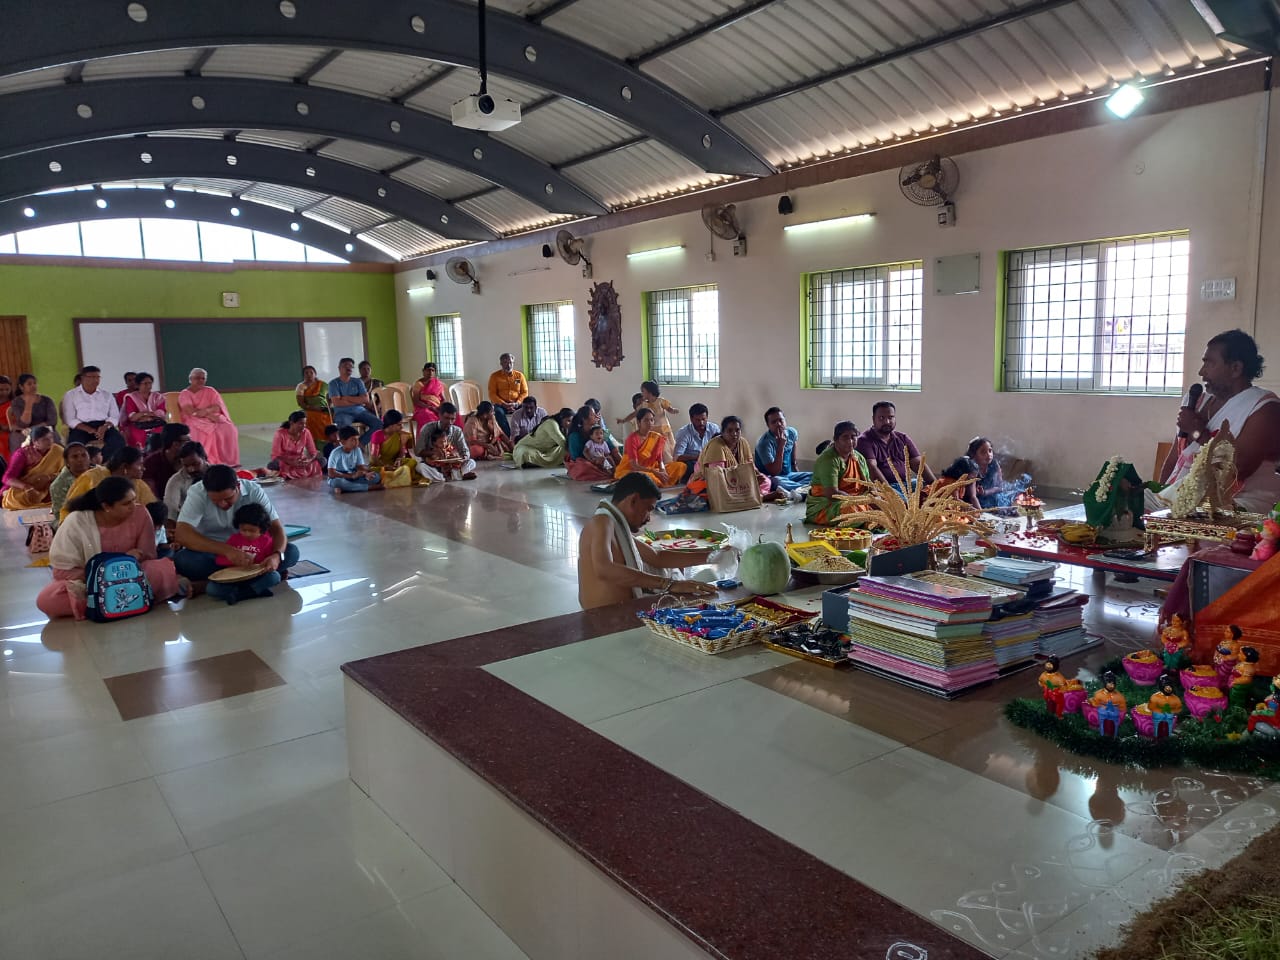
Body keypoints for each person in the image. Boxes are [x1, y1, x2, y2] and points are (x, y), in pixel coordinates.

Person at [1159, 330, 1280, 513]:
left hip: (1239, 503)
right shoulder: (1196, 401)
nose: (1202, 372)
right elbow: (1174, 459)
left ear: (1235, 368)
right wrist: (1159, 496)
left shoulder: (1264, 407)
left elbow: (1238, 469)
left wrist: (1197, 432)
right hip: (1181, 497)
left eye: (1210, 363)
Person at [37, 476, 186, 620]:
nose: (133, 506)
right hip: (90, 583)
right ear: (106, 506)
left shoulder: (140, 513)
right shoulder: (77, 521)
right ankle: (129, 601)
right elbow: (62, 572)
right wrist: (119, 564)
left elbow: (148, 555)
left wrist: (129, 565)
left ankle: (104, 605)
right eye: (126, 503)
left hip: (132, 577)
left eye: (134, 500)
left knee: (158, 570)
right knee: (47, 599)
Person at [577, 472, 721, 609]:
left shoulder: (617, 528)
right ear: (633, 500)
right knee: (704, 592)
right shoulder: (602, 521)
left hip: (624, 612)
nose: (648, 518)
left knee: (705, 580)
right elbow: (604, 569)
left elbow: (658, 557)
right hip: (605, 620)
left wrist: (714, 556)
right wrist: (668, 584)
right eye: (648, 509)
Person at [174, 464, 299, 601]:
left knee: (291, 552)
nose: (222, 504)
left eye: (227, 499)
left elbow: (276, 528)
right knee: (183, 560)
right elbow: (182, 534)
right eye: (215, 501)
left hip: (254, 554)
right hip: (215, 553)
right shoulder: (197, 493)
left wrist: (276, 556)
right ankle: (257, 580)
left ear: (238, 486)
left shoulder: (253, 490)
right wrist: (227, 551)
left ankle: (212, 584)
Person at [688, 415, 776, 501]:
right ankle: (758, 497)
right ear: (723, 432)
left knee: (766, 481)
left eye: (737, 430)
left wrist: (755, 476)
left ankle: (758, 496)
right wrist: (745, 481)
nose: (734, 434)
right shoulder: (716, 445)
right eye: (729, 430)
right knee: (719, 490)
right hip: (711, 481)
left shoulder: (743, 443)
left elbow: (750, 465)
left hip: (737, 480)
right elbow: (717, 476)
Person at [211, 502, 283, 604]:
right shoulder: (234, 539)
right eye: (243, 530)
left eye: (252, 531)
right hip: (234, 577)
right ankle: (255, 591)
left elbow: (270, 563)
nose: (247, 534)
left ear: (262, 530)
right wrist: (233, 560)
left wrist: (264, 564)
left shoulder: (267, 541)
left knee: (274, 577)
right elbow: (219, 560)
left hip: (256, 576)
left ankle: (239, 595)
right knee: (211, 589)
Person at [61, 446, 156, 522]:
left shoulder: (138, 483)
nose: (143, 468)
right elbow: (70, 510)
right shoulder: (92, 477)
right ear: (125, 467)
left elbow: (152, 509)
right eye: (139, 464)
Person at [806, 421, 874, 525]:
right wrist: (858, 501)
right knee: (852, 512)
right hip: (828, 506)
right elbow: (832, 493)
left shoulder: (859, 457)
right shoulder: (828, 459)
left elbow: (868, 484)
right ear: (836, 439)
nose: (850, 441)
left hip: (857, 500)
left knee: (885, 503)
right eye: (845, 437)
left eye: (853, 437)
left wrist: (876, 497)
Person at [856, 401, 934, 492]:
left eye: (890, 417)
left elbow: (917, 463)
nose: (887, 422)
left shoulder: (902, 438)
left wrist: (935, 485)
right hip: (885, 487)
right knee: (902, 501)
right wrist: (891, 493)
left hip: (907, 483)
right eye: (881, 418)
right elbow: (872, 468)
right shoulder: (864, 440)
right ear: (873, 419)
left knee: (934, 490)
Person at [179, 367, 240, 466]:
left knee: (229, 428)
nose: (200, 380)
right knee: (201, 430)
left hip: (211, 416)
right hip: (194, 419)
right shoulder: (184, 394)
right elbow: (190, 411)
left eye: (203, 378)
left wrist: (206, 412)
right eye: (197, 378)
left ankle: (228, 461)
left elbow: (217, 407)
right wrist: (208, 414)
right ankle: (205, 459)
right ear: (190, 379)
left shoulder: (211, 391)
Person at [64, 365, 126, 460]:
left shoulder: (107, 395)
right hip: (81, 427)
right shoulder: (71, 395)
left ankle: (101, 461)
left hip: (103, 425)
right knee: (74, 446)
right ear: (82, 378)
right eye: (92, 377)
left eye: (98, 377)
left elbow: (114, 416)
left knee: (118, 441)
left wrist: (105, 427)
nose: (95, 380)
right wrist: (90, 429)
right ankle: (85, 463)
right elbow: (70, 419)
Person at [615, 406, 686, 486]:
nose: (650, 423)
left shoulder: (656, 437)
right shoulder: (632, 439)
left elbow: (660, 460)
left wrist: (662, 470)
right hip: (632, 470)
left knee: (680, 466)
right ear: (638, 422)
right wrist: (655, 472)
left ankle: (660, 482)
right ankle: (658, 482)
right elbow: (634, 465)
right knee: (647, 477)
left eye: (652, 420)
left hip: (652, 468)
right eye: (646, 420)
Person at [2, 426, 64, 509]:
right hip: (24, 487)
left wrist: (49, 477)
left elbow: (67, 472)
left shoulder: (58, 450)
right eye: (45, 439)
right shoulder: (23, 454)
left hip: (48, 485)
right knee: (18, 498)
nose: (50, 441)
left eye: (51, 437)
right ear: (35, 442)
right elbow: (7, 478)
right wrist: (27, 487)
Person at [754, 407, 811, 494]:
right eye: (774, 422)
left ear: (785, 420)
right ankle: (805, 490)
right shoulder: (764, 444)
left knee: (814, 475)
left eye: (781, 420)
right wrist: (781, 446)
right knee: (779, 482)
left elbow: (793, 448)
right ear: (768, 426)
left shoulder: (791, 432)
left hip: (788, 475)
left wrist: (795, 467)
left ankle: (799, 489)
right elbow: (774, 472)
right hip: (771, 478)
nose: (778, 424)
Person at [327, 357, 381, 445]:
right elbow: (337, 402)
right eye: (346, 366)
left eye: (351, 366)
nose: (349, 368)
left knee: (379, 424)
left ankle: (360, 444)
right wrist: (357, 400)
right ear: (339, 368)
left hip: (360, 411)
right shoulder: (333, 383)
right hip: (343, 413)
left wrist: (346, 398)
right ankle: (347, 448)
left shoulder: (358, 382)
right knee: (345, 430)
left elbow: (365, 399)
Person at [965, 437, 1030, 509]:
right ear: (973, 456)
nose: (988, 454)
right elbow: (972, 497)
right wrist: (981, 513)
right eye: (983, 452)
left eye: (990, 451)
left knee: (1014, 497)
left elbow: (999, 487)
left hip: (990, 497)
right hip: (973, 502)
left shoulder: (994, 464)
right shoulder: (972, 469)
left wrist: (985, 492)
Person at [416, 403, 478, 479]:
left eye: (453, 419)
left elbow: (465, 452)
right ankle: (455, 476)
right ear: (439, 416)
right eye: (446, 418)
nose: (450, 422)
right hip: (433, 465)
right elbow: (418, 451)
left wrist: (459, 458)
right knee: (420, 467)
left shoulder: (457, 431)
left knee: (471, 462)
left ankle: (448, 476)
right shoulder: (427, 428)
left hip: (452, 466)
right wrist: (434, 453)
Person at [369, 410, 431, 484]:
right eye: (399, 424)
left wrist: (399, 459)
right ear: (391, 425)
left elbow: (402, 452)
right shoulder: (378, 435)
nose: (402, 427)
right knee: (374, 471)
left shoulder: (400, 435)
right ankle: (398, 475)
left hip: (393, 463)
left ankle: (396, 475)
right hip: (380, 464)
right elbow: (374, 458)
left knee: (412, 462)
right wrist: (385, 466)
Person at [7, 373, 59, 454]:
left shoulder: (47, 400)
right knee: (17, 438)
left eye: (35, 383)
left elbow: (52, 421)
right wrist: (29, 404)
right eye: (29, 384)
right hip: (23, 432)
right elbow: (23, 424)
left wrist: (33, 429)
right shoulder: (16, 402)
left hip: (44, 429)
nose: (33, 386)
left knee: (50, 436)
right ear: (21, 387)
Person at [617, 381, 679, 448]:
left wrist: (673, 410)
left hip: (663, 429)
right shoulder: (644, 404)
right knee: (654, 447)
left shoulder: (660, 401)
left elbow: (669, 409)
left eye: (643, 391)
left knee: (666, 447)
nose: (642, 393)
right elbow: (634, 413)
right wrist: (624, 420)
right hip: (652, 429)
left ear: (649, 392)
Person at [565, 405, 617, 482]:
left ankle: (612, 472)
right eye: (592, 415)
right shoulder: (575, 436)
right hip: (585, 461)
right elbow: (576, 457)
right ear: (584, 419)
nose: (596, 416)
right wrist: (594, 460)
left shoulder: (599, 431)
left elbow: (613, 449)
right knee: (585, 466)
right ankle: (606, 472)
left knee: (615, 458)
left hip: (602, 458)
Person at [118, 371, 168, 449]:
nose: (148, 386)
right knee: (135, 433)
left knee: (163, 433)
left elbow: (161, 413)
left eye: (150, 383)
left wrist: (143, 415)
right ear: (138, 385)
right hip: (137, 425)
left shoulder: (158, 396)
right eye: (145, 383)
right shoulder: (131, 397)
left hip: (156, 423)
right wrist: (150, 414)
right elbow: (132, 417)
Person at [327, 426, 383, 493]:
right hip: (341, 477)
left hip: (355, 477)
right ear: (343, 442)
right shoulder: (335, 453)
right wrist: (351, 476)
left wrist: (366, 474)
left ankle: (347, 488)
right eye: (353, 440)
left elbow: (360, 467)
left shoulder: (357, 450)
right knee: (337, 482)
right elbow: (331, 474)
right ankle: (368, 487)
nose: (357, 442)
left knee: (376, 477)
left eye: (357, 439)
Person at [141, 423, 191, 497]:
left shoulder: (191, 459)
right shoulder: (151, 463)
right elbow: (151, 495)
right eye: (187, 442)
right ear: (176, 444)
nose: (190, 445)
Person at [270, 411, 323, 480]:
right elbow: (276, 455)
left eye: (305, 423)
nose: (304, 426)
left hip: (300, 461)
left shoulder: (306, 432)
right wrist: (292, 462)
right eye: (301, 423)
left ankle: (291, 473)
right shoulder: (280, 434)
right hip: (285, 462)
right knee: (274, 464)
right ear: (292, 423)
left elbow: (313, 452)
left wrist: (308, 461)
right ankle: (289, 472)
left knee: (322, 460)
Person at [487, 352, 529, 437]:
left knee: (527, 409)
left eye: (510, 362)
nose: (508, 365)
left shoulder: (519, 376)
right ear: (501, 363)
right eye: (505, 362)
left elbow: (524, 392)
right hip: (501, 405)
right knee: (498, 412)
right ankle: (508, 436)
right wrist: (504, 404)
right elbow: (492, 394)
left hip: (516, 404)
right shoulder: (494, 376)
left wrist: (517, 403)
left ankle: (523, 435)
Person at [164, 441, 207, 520]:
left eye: (195, 464)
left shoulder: (219, 473)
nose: (191, 469)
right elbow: (171, 510)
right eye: (186, 466)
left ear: (204, 458)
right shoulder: (176, 481)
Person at [50, 441, 92, 521]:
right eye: (75, 457)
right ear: (67, 462)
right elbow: (61, 515)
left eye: (84, 455)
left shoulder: (99, 473)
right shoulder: (58, 485)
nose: (80, 459)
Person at [673, 402, 719, 471]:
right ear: (691, 419)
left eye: (703, 419)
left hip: (711, 461)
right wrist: (698, 457)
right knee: (686, 466)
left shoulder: (714, 429)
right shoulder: (683, 433)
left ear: (707, 417)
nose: (701, 423)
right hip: (692, 463)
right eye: (698, 420)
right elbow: (677, 457)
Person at [295, 365, 332, 444]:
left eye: (311, 373)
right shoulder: (301, 386)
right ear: (303, 375)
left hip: (324, 410)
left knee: (331, 417)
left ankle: (327, 443)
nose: (309, 375)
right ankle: (313, 444)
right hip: (309, 409)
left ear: (315, 374)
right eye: (306, 373)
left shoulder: (323, 385)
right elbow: (301, 403)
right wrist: (315, 408)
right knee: (311, 417)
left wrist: (328, 408)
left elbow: (330, 398)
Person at [410, 361, 446, 432]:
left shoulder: (437, 384)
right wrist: (430, 407)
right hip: (422, 409)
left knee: (453, 415)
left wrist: (439, 408)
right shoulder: (418, 384)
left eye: (433, 370)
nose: (430, 372)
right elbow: (416, 401)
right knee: (427, 414)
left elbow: (443, 399)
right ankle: (428, 437)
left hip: (437, 408)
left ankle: (447, 436)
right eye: (428, 370)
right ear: (423, 371)